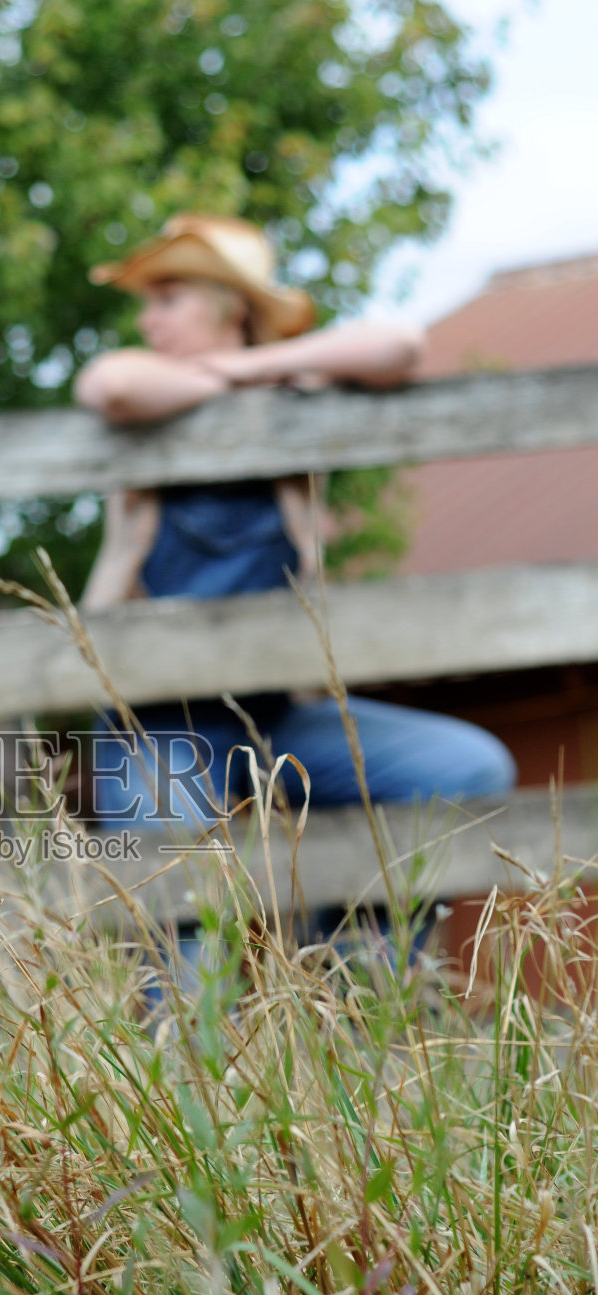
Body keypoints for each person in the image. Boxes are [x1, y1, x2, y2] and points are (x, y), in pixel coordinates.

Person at [72, 213, 515, 976]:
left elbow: (398, 346)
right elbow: (108, 384)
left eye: (167, 298)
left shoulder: (283, 394)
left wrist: (249, 373)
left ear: (229, 305)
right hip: (159, 729)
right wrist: (241, 380)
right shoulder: (143, 407)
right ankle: (188, 1069)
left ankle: (353, 986)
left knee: (467, 768)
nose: (147, 320)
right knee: (188, 939)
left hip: (276, 720)